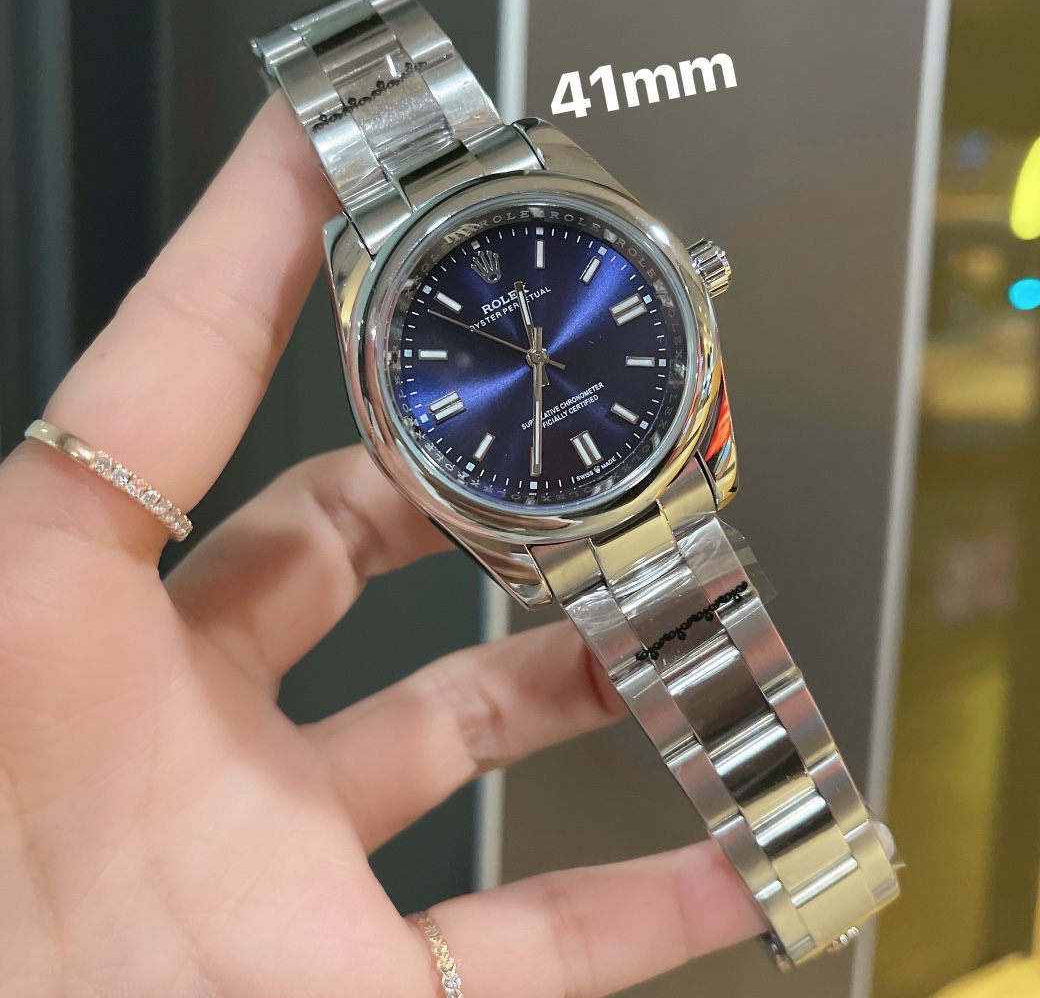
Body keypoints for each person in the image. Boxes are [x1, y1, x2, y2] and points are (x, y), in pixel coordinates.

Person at [0, 94, 763, 997]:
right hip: (548, 508)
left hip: (654, 462)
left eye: (546, 345)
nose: (538, 357)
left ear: (690, 278)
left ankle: (799, 852)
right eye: (522, 357)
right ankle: (795, 861)